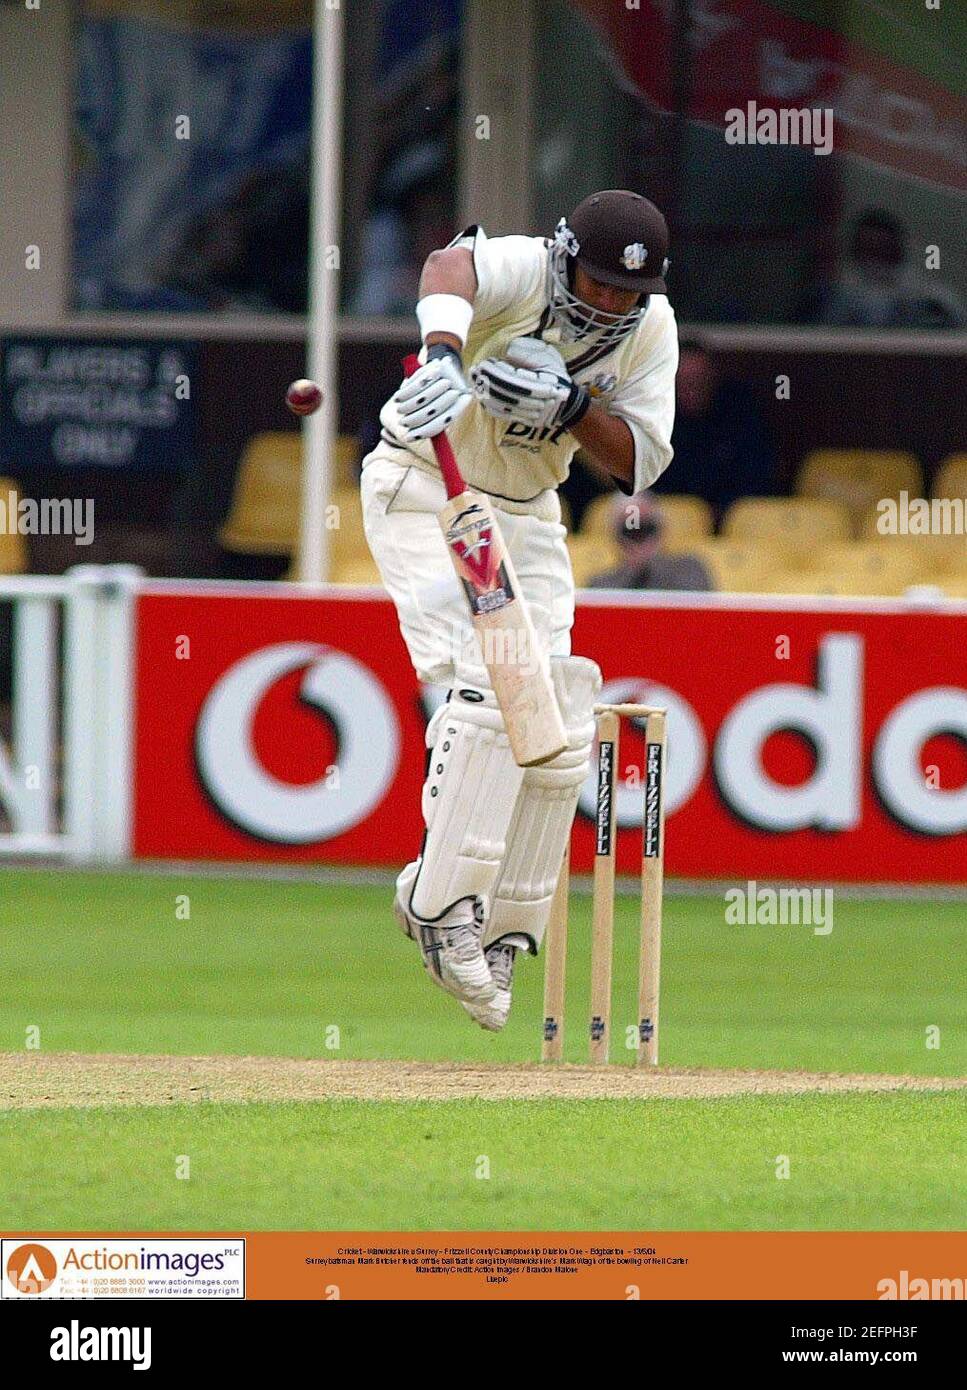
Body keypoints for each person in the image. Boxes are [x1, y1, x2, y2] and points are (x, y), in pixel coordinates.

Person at [360, 189, 679, 1031]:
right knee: (493, 684)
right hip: (424, 486)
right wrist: (439, 355)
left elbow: (638, 462)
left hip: (529, 515)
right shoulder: (526, 267)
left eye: (625, 292)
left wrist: (574, 408)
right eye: (598, 283)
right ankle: (439, 906)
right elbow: (447, 265)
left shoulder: (650, 330)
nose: (608, 302)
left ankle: (499, 923)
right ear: (567, 255)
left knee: (560, 720)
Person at [653, 335, 776, 519]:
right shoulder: (655, 418)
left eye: (698, 381)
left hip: (736, 520)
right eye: (684, 383)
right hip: (673, 521)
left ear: (711, 377)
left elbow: (758, 478)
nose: (692, 390)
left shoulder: (740, 413)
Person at [807, 208, 965, 330]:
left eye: (882, 251)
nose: (874, 261)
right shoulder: (835, 296)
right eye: (868, 250)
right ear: (855, 252)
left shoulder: (930, 297)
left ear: (897, 252)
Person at [588, 492, 711, 591]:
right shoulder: (601, 585)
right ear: (615, 536)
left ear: (661, 529)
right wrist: (633, 568)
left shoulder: (690, 569)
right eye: (629, 531)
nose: (638, 539)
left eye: (647, 528)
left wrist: (650, 563)